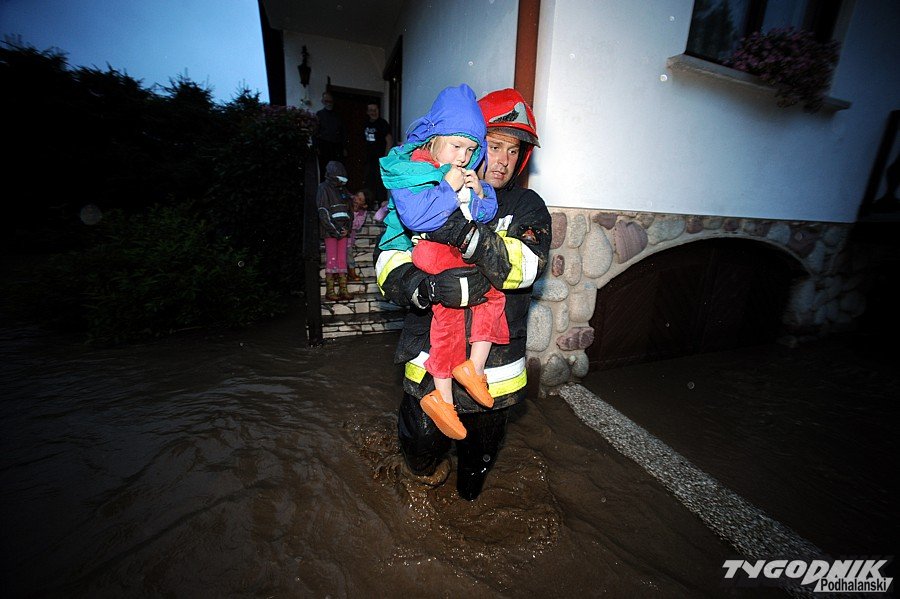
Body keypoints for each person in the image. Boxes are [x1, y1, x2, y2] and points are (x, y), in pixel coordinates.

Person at [373, 88, 551, 500]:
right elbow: (388, 262)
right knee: (419, 458)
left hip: (492, 377)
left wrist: (465, 233)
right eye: (494, 146)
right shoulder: (428, 186)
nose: (503, 160)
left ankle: (465, 506)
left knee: (474, 474)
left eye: (513, 150)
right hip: (428, 366)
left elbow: (527, 266)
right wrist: (426, 287)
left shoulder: (527, 206)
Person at [378, 84, 506, 441]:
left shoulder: (460, 171)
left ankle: (462, 379)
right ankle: (449, 390)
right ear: (433, 139)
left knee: (484, 301)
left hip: (449, 251)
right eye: (456, 146)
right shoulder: (412, 170)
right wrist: (448, 188)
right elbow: (417, 218)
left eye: (471, 149)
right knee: (454, 315)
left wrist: (479, 193)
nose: (464, 157)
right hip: (428, 251)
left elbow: (483, 215)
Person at [316, 160, 354, 301]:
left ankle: (343, 289)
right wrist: (336, 230)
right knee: (332, 259)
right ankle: (330, 290)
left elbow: (350, 212)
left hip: (343, 231)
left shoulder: (343, 190)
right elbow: (323, 212)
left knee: (342, 260)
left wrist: (347, 229)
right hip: (331, 232)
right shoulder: (323, 188)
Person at [363, 102, 393, 209]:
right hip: (368, 158)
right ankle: (369, 207)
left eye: (375, 110)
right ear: (367, 112)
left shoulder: (382, 123)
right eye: (371, 110)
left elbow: (389, 140)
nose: (373, 112)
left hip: (380, 159)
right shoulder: (366, 123)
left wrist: (386, 158)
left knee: (380, 184)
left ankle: (381, 209)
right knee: (368, 182)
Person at [315, 92, 346, 181]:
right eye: (326, 101)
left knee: (337, 169)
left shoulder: (338, 115)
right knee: (324, 169)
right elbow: (315, 131)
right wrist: (316, 146)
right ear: (322, 101)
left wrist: (344, 147)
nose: (328, 103)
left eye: (330, 101)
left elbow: (343, 131)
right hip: (323, 145)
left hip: (336, 146)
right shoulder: (319, 114)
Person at [346, 188, 372, 282]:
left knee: (349, 256)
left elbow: (357, 226)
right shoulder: (346, 205)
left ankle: (351, 272)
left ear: (364, 205)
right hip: (339, 236)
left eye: (360, 199)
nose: (356, 199)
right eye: (357, 196)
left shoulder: (362, 213)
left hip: (349, 239)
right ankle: (339, 274)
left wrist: (354, 212)